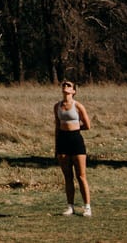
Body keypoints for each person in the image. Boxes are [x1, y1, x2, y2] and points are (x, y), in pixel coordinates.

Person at [53, 79, 92, 216]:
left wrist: (75, 128)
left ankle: (87, 207)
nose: (65, 86)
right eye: (64, 84)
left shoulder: (78, 106)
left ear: (73, 91)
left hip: (76, 140)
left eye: (68, 85)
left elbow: (87, 125)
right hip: (63, 141)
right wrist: (56, 146)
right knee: (67, 176)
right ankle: (70, 206)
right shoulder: (57, 106)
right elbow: (57, 126)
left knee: (81, 176)